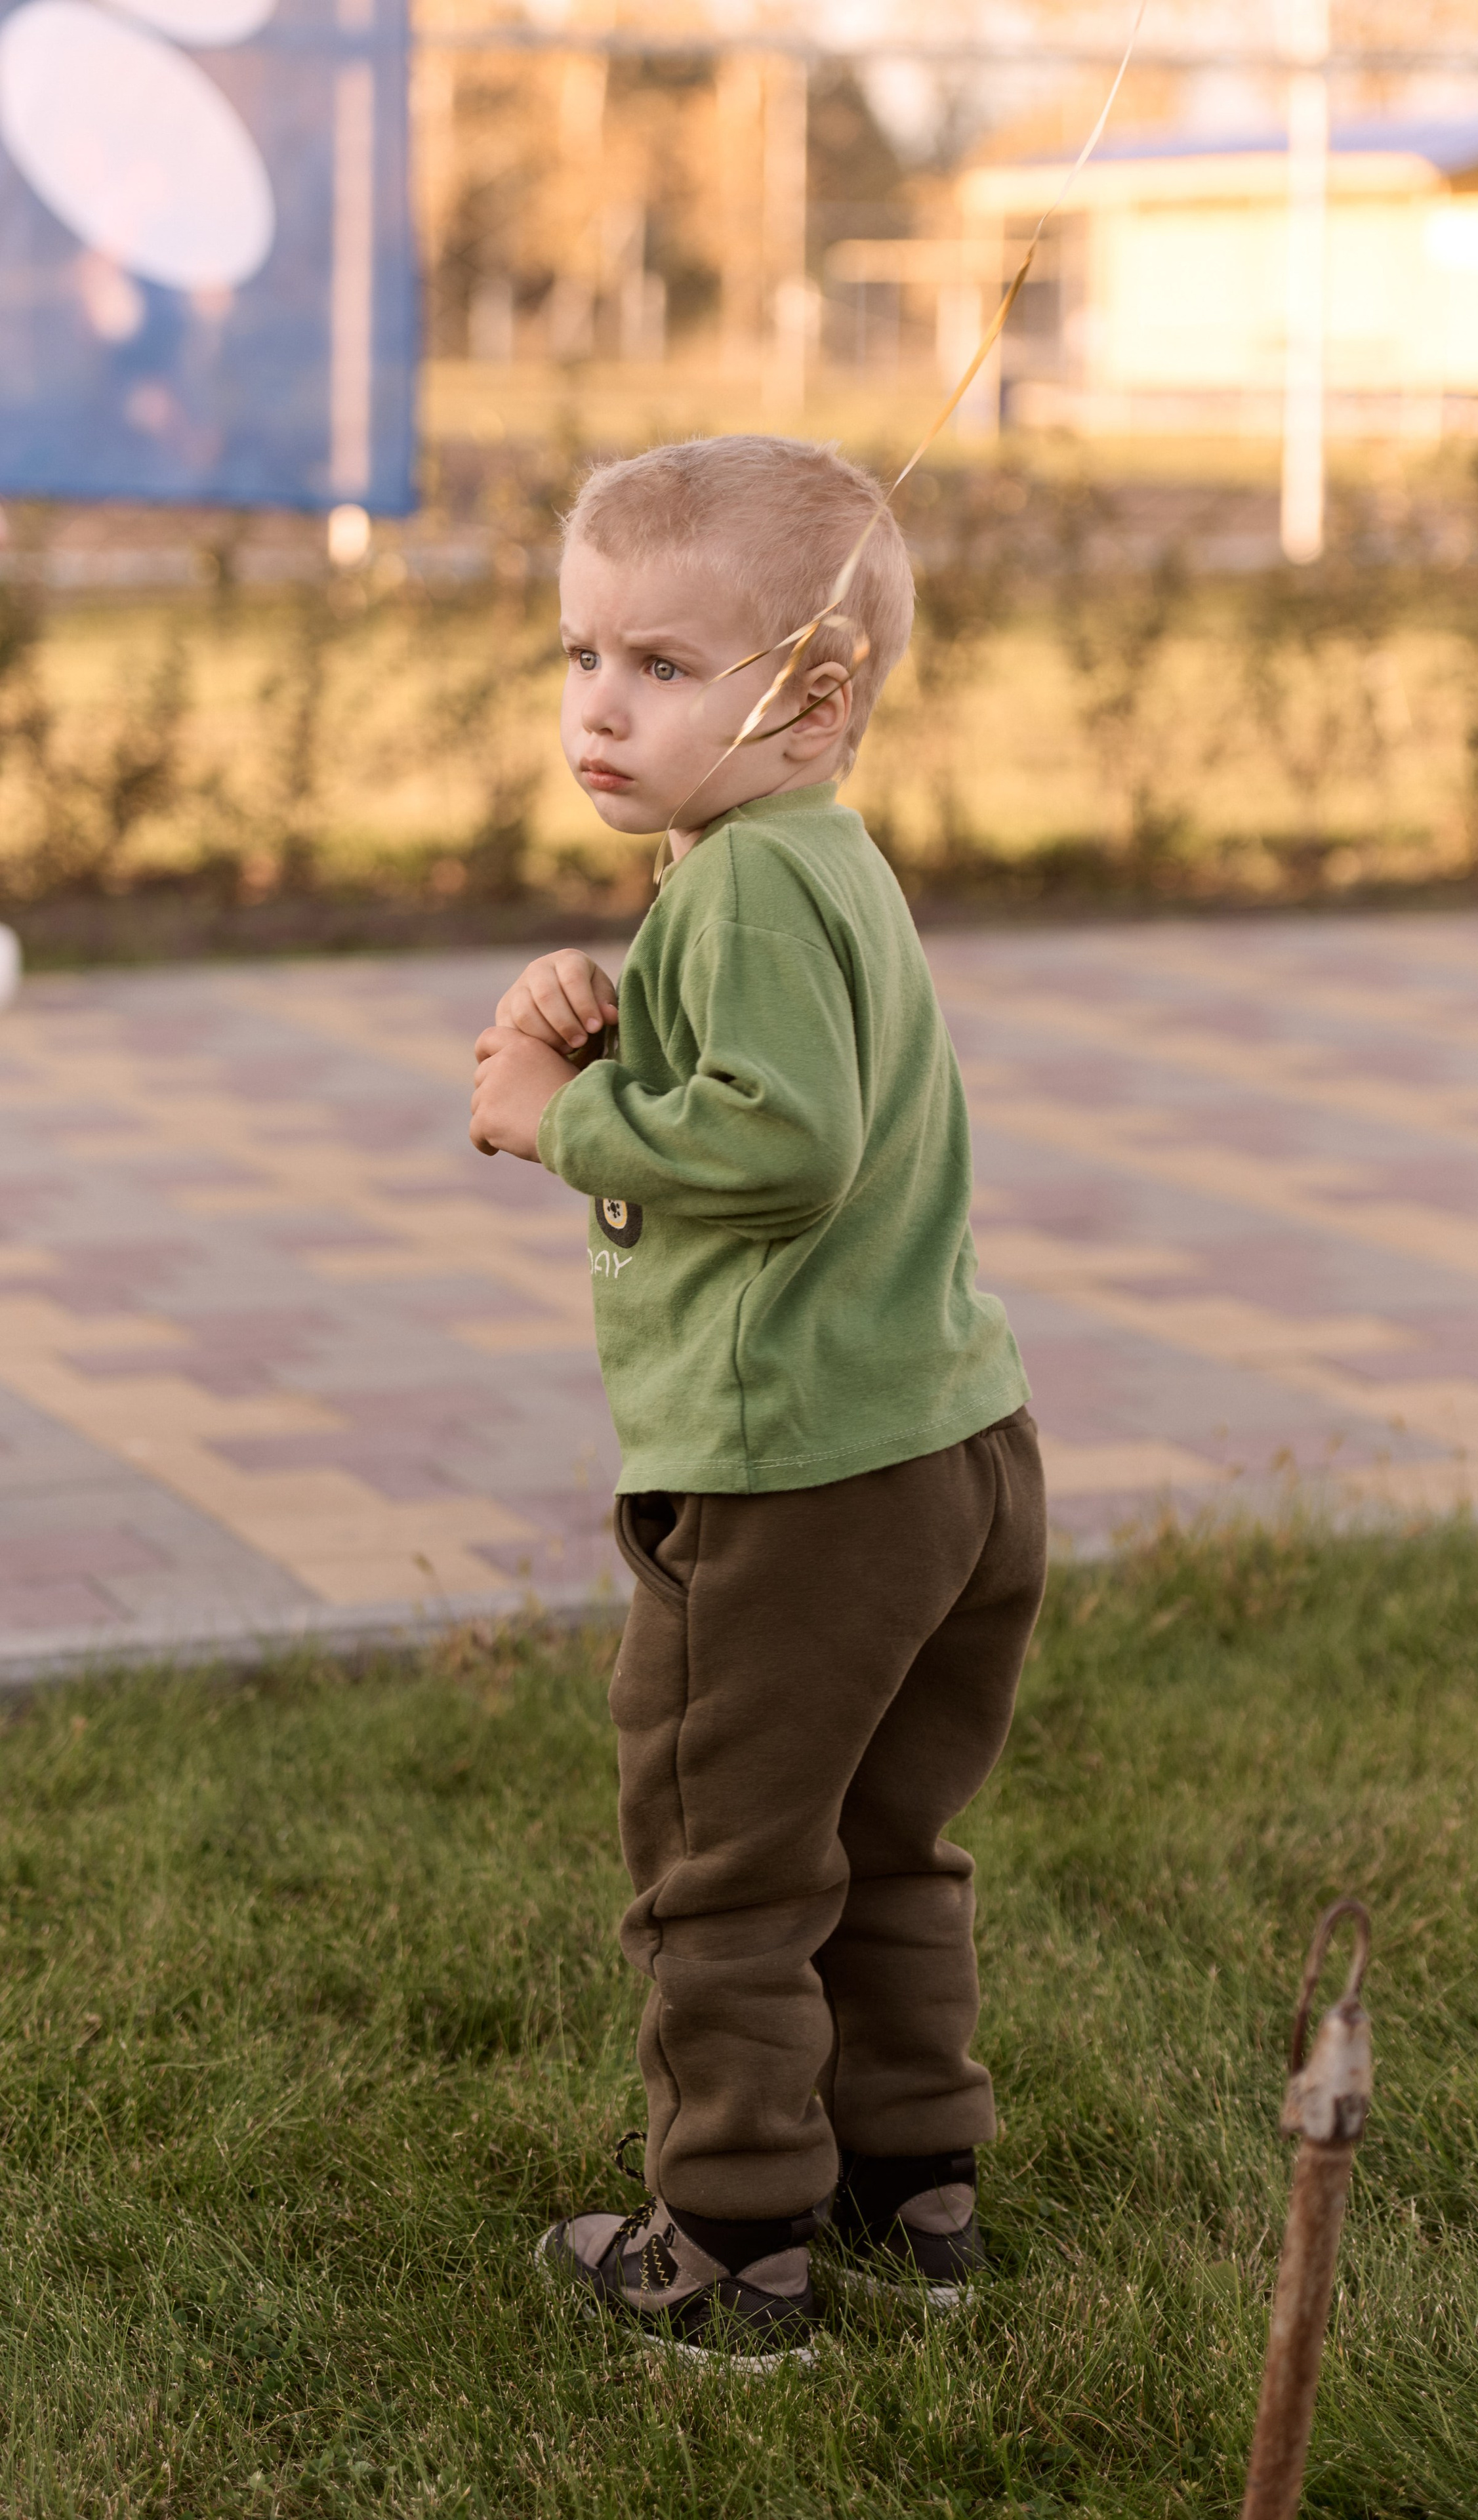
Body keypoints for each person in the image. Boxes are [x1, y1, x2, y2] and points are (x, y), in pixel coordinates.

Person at [470, 435, 1046, 2368]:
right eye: (581, 655)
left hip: (798, 1481)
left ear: (811, 700)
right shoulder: (811, 864)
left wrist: (557, 1122)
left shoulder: (738, 885)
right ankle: (914, 2182)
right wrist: (616, 1023)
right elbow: (770, 1076)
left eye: (659, 664)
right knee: (885, 1839)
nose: (597, 706)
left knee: (724, 1868)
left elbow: (784, 1146)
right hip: (950, 1451)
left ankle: (730, 2244)